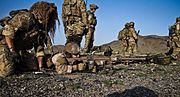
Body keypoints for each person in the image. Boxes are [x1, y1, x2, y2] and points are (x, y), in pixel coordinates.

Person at [0, 1, 59, 77]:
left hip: (19, 51)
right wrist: (12, 51)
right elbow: (8, 33)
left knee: (32, 67)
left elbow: (39, 50)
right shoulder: (27, 18)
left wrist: (41, 68)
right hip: (4, 46)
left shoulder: (41, 30)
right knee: (7, 72)